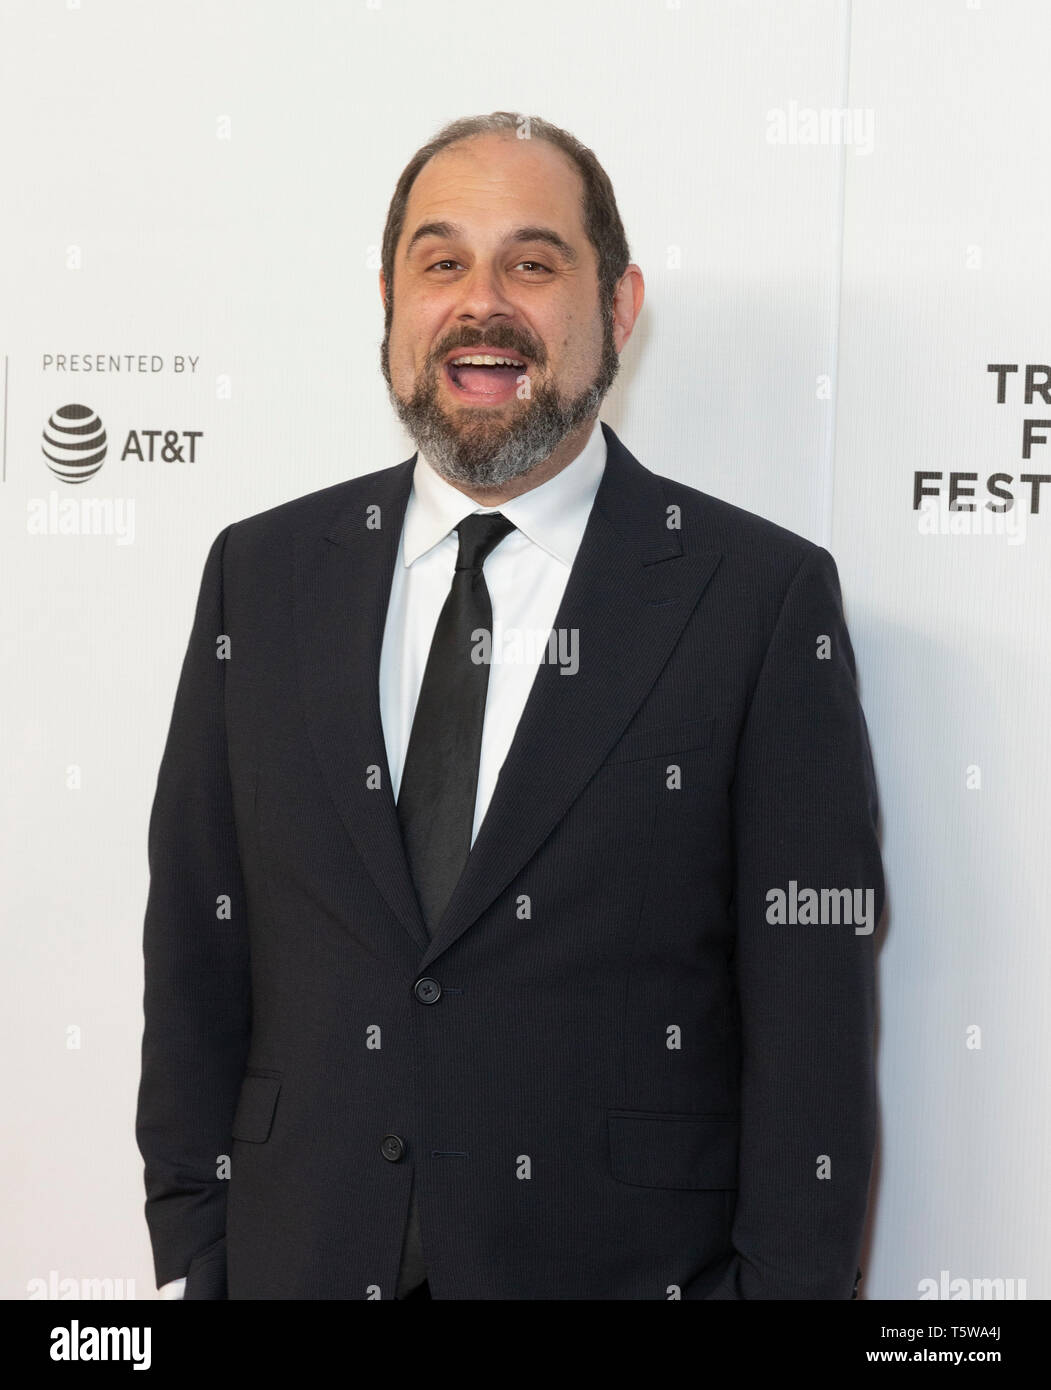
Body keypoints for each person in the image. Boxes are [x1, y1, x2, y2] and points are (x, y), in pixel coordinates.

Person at [136, 110, 883, 1300]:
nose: (482, 303)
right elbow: (195, 947)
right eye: (442, 263)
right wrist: (196, 1245)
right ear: (390, 300)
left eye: (533, 263)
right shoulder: (263, 575)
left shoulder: (756, 597)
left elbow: (811, 1028)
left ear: (619, 306)